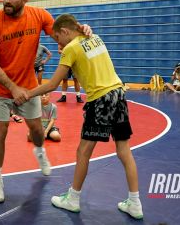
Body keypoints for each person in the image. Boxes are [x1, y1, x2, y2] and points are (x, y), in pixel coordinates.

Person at [0, 0, 91, 203]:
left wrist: (81, 32)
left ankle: (40, 152)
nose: (6, 1)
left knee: (37, 130)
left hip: (28, 85)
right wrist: (12, 87)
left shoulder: (39, 16)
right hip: (0, 89)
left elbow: (62, 36)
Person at [20, 13, 143, 219]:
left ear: (65, 32)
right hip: (118, 94)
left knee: (83, 151)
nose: (58, 44)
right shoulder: (94, 37)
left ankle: (73, 199)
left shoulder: (71, 48)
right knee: (124, 149)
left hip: (100, 100)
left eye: (57, 38)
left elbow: (52, 84)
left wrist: (27, 94)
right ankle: (135, 202)